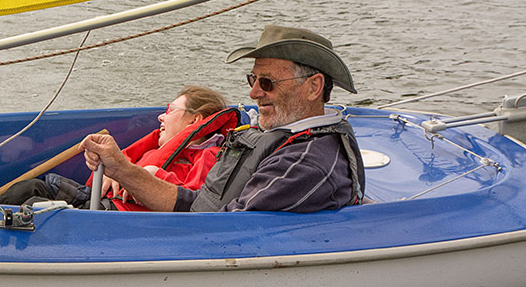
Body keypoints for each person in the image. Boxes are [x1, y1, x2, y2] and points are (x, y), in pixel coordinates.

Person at [79, 25, 365, 213]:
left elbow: (220, 230)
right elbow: (200, 206)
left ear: (313, 87)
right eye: (252, 79)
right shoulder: (280, 138)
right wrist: (123, 170)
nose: (253, 92)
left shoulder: (306, 163)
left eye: (267, 82)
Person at [0, 85, 237, 210]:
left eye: (170, 110)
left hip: (117, 218)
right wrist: (108, 170)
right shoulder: (154, 148)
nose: (161, 118)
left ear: (195, 120)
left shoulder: (210, 156)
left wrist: (148, 176)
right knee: (25, 190)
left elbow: (196, 203)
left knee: (30, 211)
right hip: (95, 200)